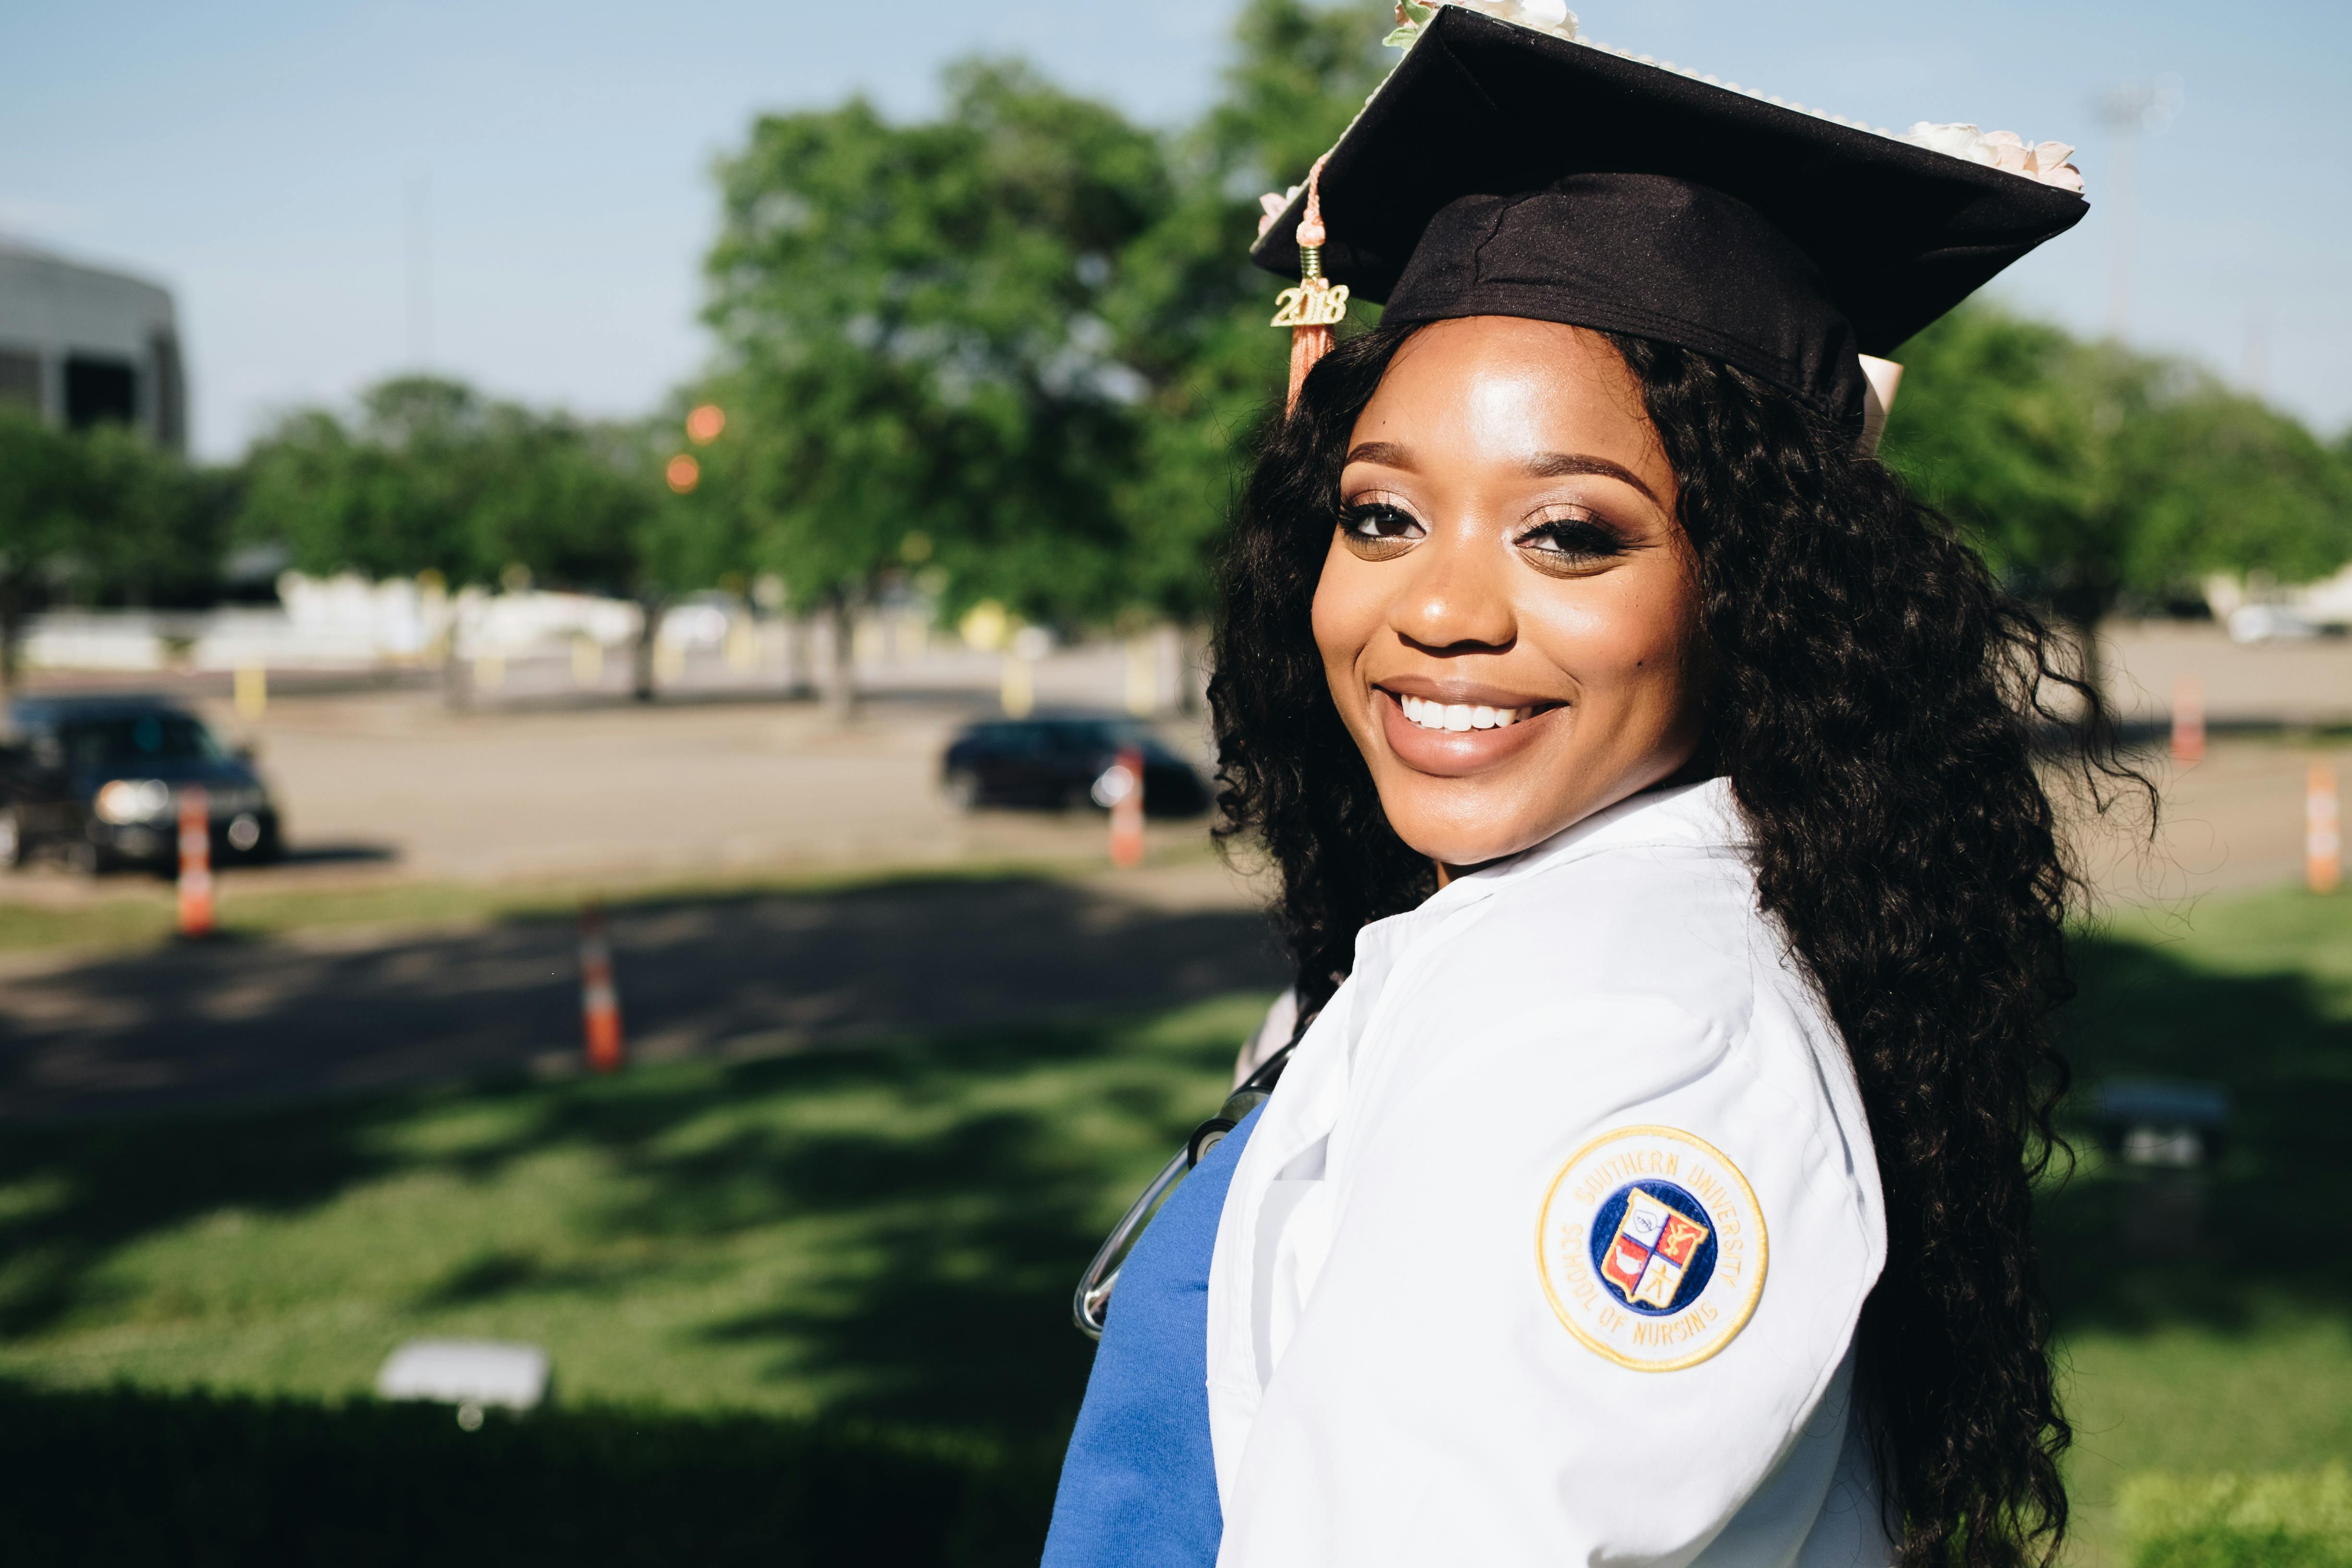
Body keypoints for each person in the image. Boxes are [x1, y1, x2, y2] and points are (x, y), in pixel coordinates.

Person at [1045, 7, 2129, 1566]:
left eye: (1569, 534)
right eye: (1381, 517)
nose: (1440, 609)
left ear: (1758, 589)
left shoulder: (1622, 1027)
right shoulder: (1503, 931)